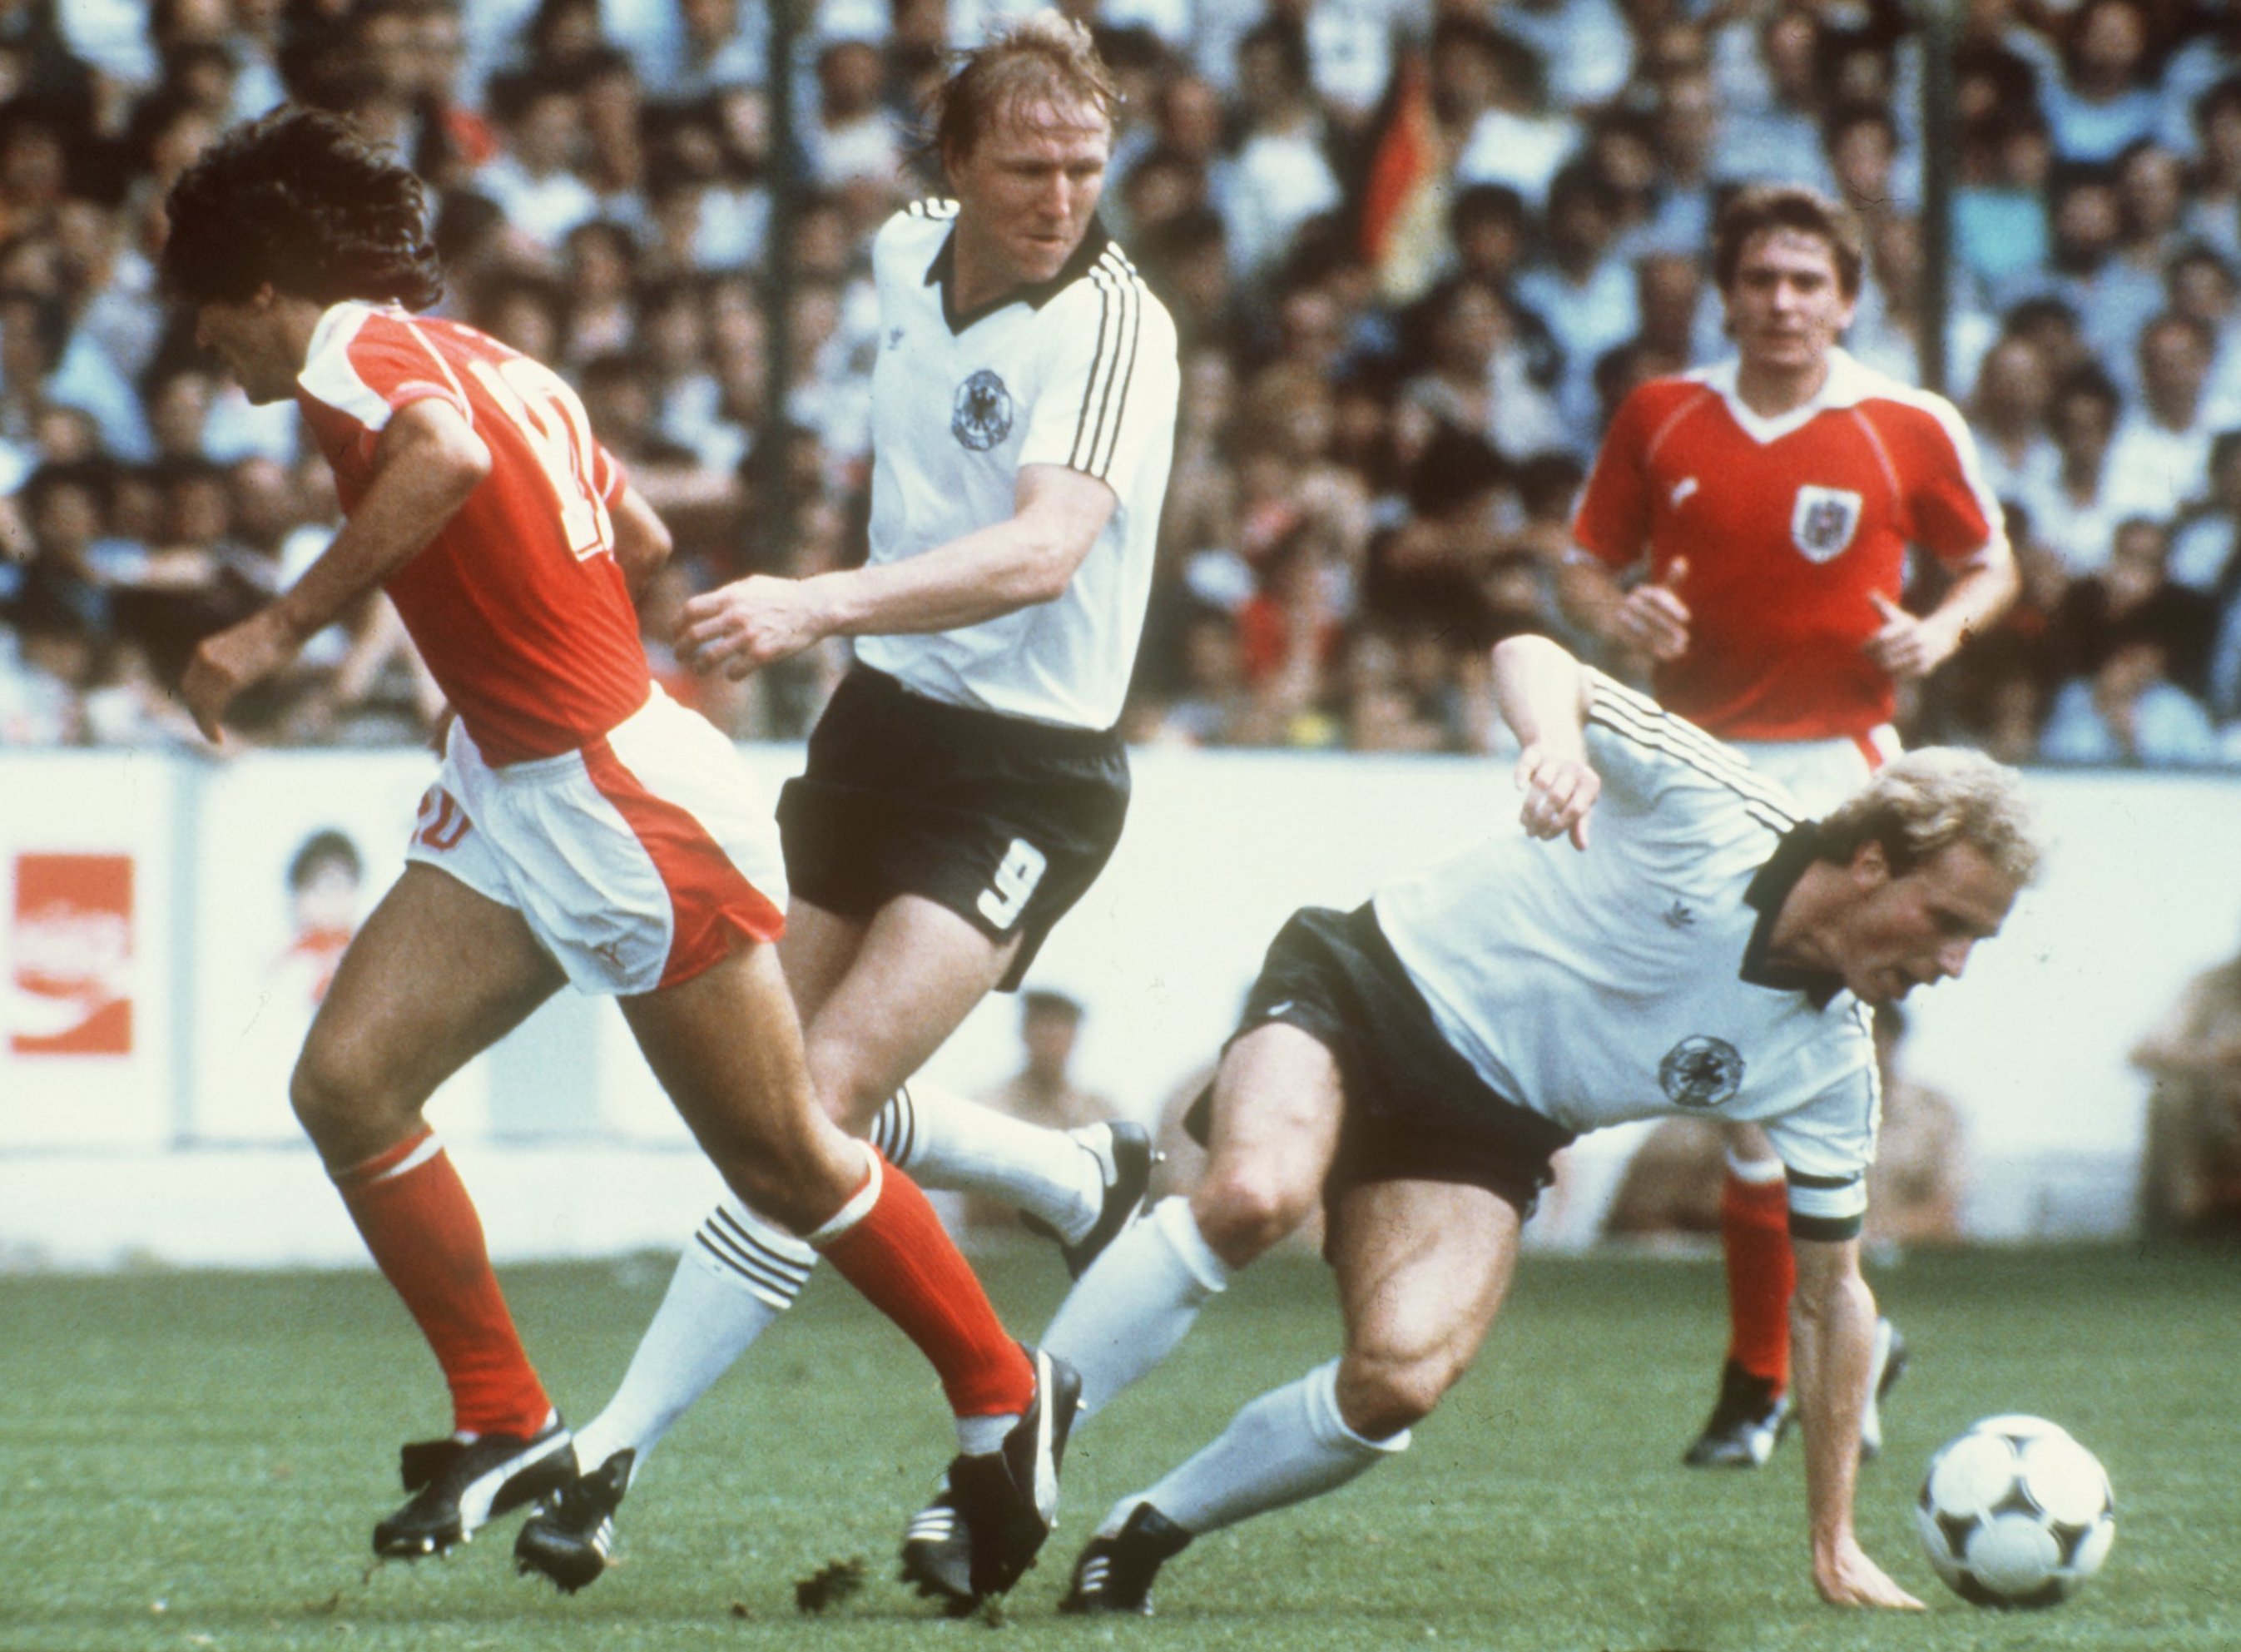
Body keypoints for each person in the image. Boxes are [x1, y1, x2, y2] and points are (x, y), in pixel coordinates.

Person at [161, 108, 1071, 1599]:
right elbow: (635, 537)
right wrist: (510, 643)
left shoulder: (351, 356)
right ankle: (504, 1418)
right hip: (522, 778)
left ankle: (1003, 1390)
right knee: (348, 1083)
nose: (209, 349)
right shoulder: (494, 357)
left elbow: (445, 461)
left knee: (784, 1154)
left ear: (261, 288)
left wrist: (273, 631)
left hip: (609, 802)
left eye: (208, 319)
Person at [512, 13, 1181, 1613]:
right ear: (949, 166)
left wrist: (814, 600)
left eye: (1085, 166)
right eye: (1025, 167)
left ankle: (609, 1453)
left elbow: (1042, 554)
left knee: (813, 1096)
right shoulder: (902, 253)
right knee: (766, 1108)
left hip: (1026, 769)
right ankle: (1071, 1180)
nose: (1059, 197)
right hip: (880, 731)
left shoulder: (1113, 325)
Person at [1038, 633, 2041, 1614]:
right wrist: (1555, 744)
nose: (1953, 964)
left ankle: (1146, 1526)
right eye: (1946, 921)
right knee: (1252, 1195)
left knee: (1400, 1376)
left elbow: (1831, 1297)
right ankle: (1006, 1450)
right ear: (1868, 862)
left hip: (1489, 1124)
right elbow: (1531, 654)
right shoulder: (1721, 811)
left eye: (1976, 940)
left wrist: (1834, 1535)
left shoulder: (1830, 1065)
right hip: (1371, 985)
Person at [1555, 182, 2017, 1470]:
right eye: (1760, 278)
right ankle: (1833, 1349)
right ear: (1725, 293)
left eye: (1807, 281)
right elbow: (1583, 565)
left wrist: (1943, 629)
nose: (1782, 302)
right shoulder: (1663, 414)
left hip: (1840, 774)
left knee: (1784, 1073)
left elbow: (1991, 564)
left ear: (1847, 299)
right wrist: (1616, 611)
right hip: (1693, 771)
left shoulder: (1902, 424)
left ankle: (1767, 1376)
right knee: (1719, 1064)